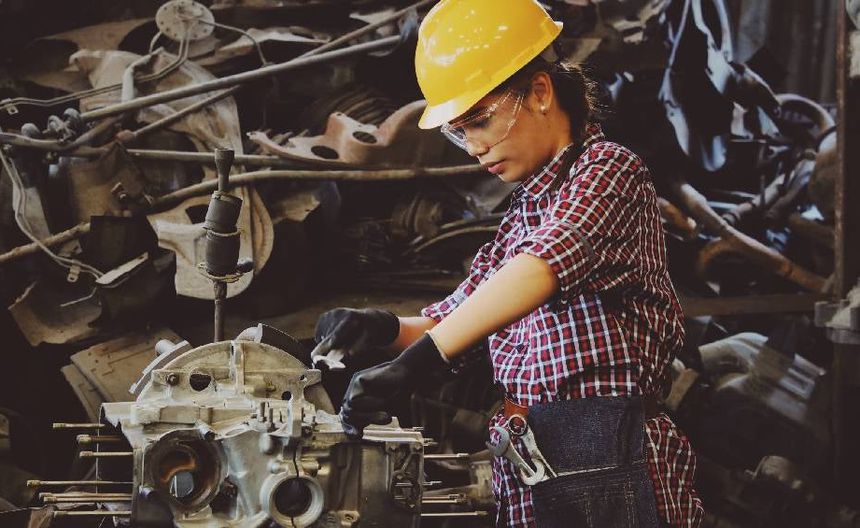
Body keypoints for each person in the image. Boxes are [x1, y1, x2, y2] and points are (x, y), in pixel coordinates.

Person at [312, 0, 704, 526]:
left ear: (540, 92)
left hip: (607, 456)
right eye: (459, 132)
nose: (473, 147)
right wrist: (381, 328)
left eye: (479, 121)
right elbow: (458, 320)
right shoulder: (521, 215)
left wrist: (419, 362)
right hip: (529, 458)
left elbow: (543, 267)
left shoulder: (609, 170)